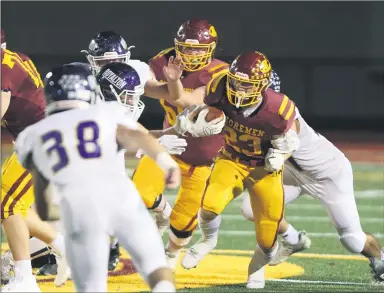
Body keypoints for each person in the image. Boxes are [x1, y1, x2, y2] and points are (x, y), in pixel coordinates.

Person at [14, 63, 178, 292]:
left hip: (80, 208)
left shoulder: (32, 135)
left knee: (92, 287)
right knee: (156, 268)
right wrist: (167, 163)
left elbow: (43, 197)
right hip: (122, 198)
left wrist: (52, 227)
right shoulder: (106, 112)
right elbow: (136, 136)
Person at [180, 51, 301, 289]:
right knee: (209, 205)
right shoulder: (219, 86)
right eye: (236, 81)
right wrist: (194, 120)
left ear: (262, 85)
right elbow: (205, 108)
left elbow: (291, 139)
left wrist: (280, 154)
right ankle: (207, 241)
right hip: (232, 159)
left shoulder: (279, 108)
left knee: (267, 239)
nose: (239, 88)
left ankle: (256, 269)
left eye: (247, 85)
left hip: (264, 169)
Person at [240, 106, 384, 284]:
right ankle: (292, 238)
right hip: (294, 173)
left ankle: (380, 258)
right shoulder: (243, 112)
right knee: (251, 208)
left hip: (329, 176)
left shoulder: (281, 110)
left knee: (352, 241)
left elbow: (289, 137)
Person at [133, 19, 228, 268]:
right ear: (177, 46)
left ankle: (171, 254)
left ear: (211, 49)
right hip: (170, 143)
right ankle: (162, 212)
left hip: (204, 156)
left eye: (198, 49)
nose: (192, 53)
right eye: (186, 47)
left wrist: (172, 83)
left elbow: (188, 101)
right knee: (138, 193)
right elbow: (145, 88)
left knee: (185, 218)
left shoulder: (221, 74)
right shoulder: (163, 60)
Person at [1, 28, 69, 292]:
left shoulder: (2, 70)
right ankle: (64, 247)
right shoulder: (13, 58)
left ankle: (25, 280)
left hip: (45, 142)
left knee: (7, 206)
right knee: (9, 202)